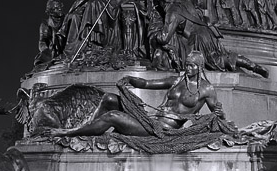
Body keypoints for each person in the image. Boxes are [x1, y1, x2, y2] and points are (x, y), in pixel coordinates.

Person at [47, 51, 225, 137]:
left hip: (162, 129)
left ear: (200, 67)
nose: (188, 68)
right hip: (149, 119)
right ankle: (88, 127)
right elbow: (147, 83)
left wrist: (220, 114)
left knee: (112, 116)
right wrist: (130, 79)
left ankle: (68, 133)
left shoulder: (206, 89)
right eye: (186, 64)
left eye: (192, 66)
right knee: (109, 98)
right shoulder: (176, 80)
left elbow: (217, 114)